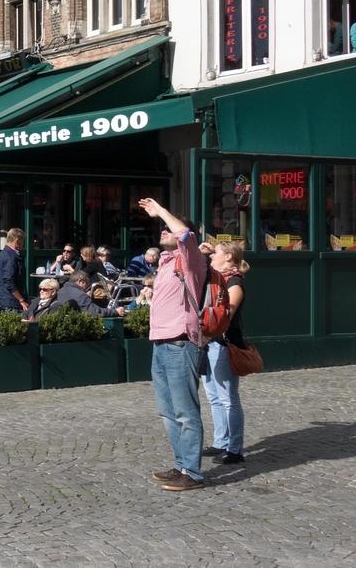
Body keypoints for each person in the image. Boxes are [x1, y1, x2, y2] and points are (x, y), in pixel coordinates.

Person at [140, 196, 209, 492]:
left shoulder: (190, 258)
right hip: (160, 343)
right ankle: (181, 464)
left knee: (185, 411)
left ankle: (192, 472)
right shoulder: (167, 262)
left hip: (181, 343)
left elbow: (184, 235)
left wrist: (162, 212)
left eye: (166, 228)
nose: (162, 231)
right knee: (168, 412)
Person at [201, 240, 249, 464]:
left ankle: (235, 449)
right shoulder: (217, 279)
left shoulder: (234, 281)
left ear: (229, 256)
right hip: (210, 342)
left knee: (228, 397)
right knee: (213, 396)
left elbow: (227, 314)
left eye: (216, 253)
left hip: (224, 343)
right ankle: (221, 441)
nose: (212, 257)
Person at [0, 228, 28, 313]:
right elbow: (9, 281)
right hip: (11, 302)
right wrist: (21, 300)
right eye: (23, 241)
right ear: (17, 241)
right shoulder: (10, 257)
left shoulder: (2, 253)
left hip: (3, 300)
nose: (23, 244)